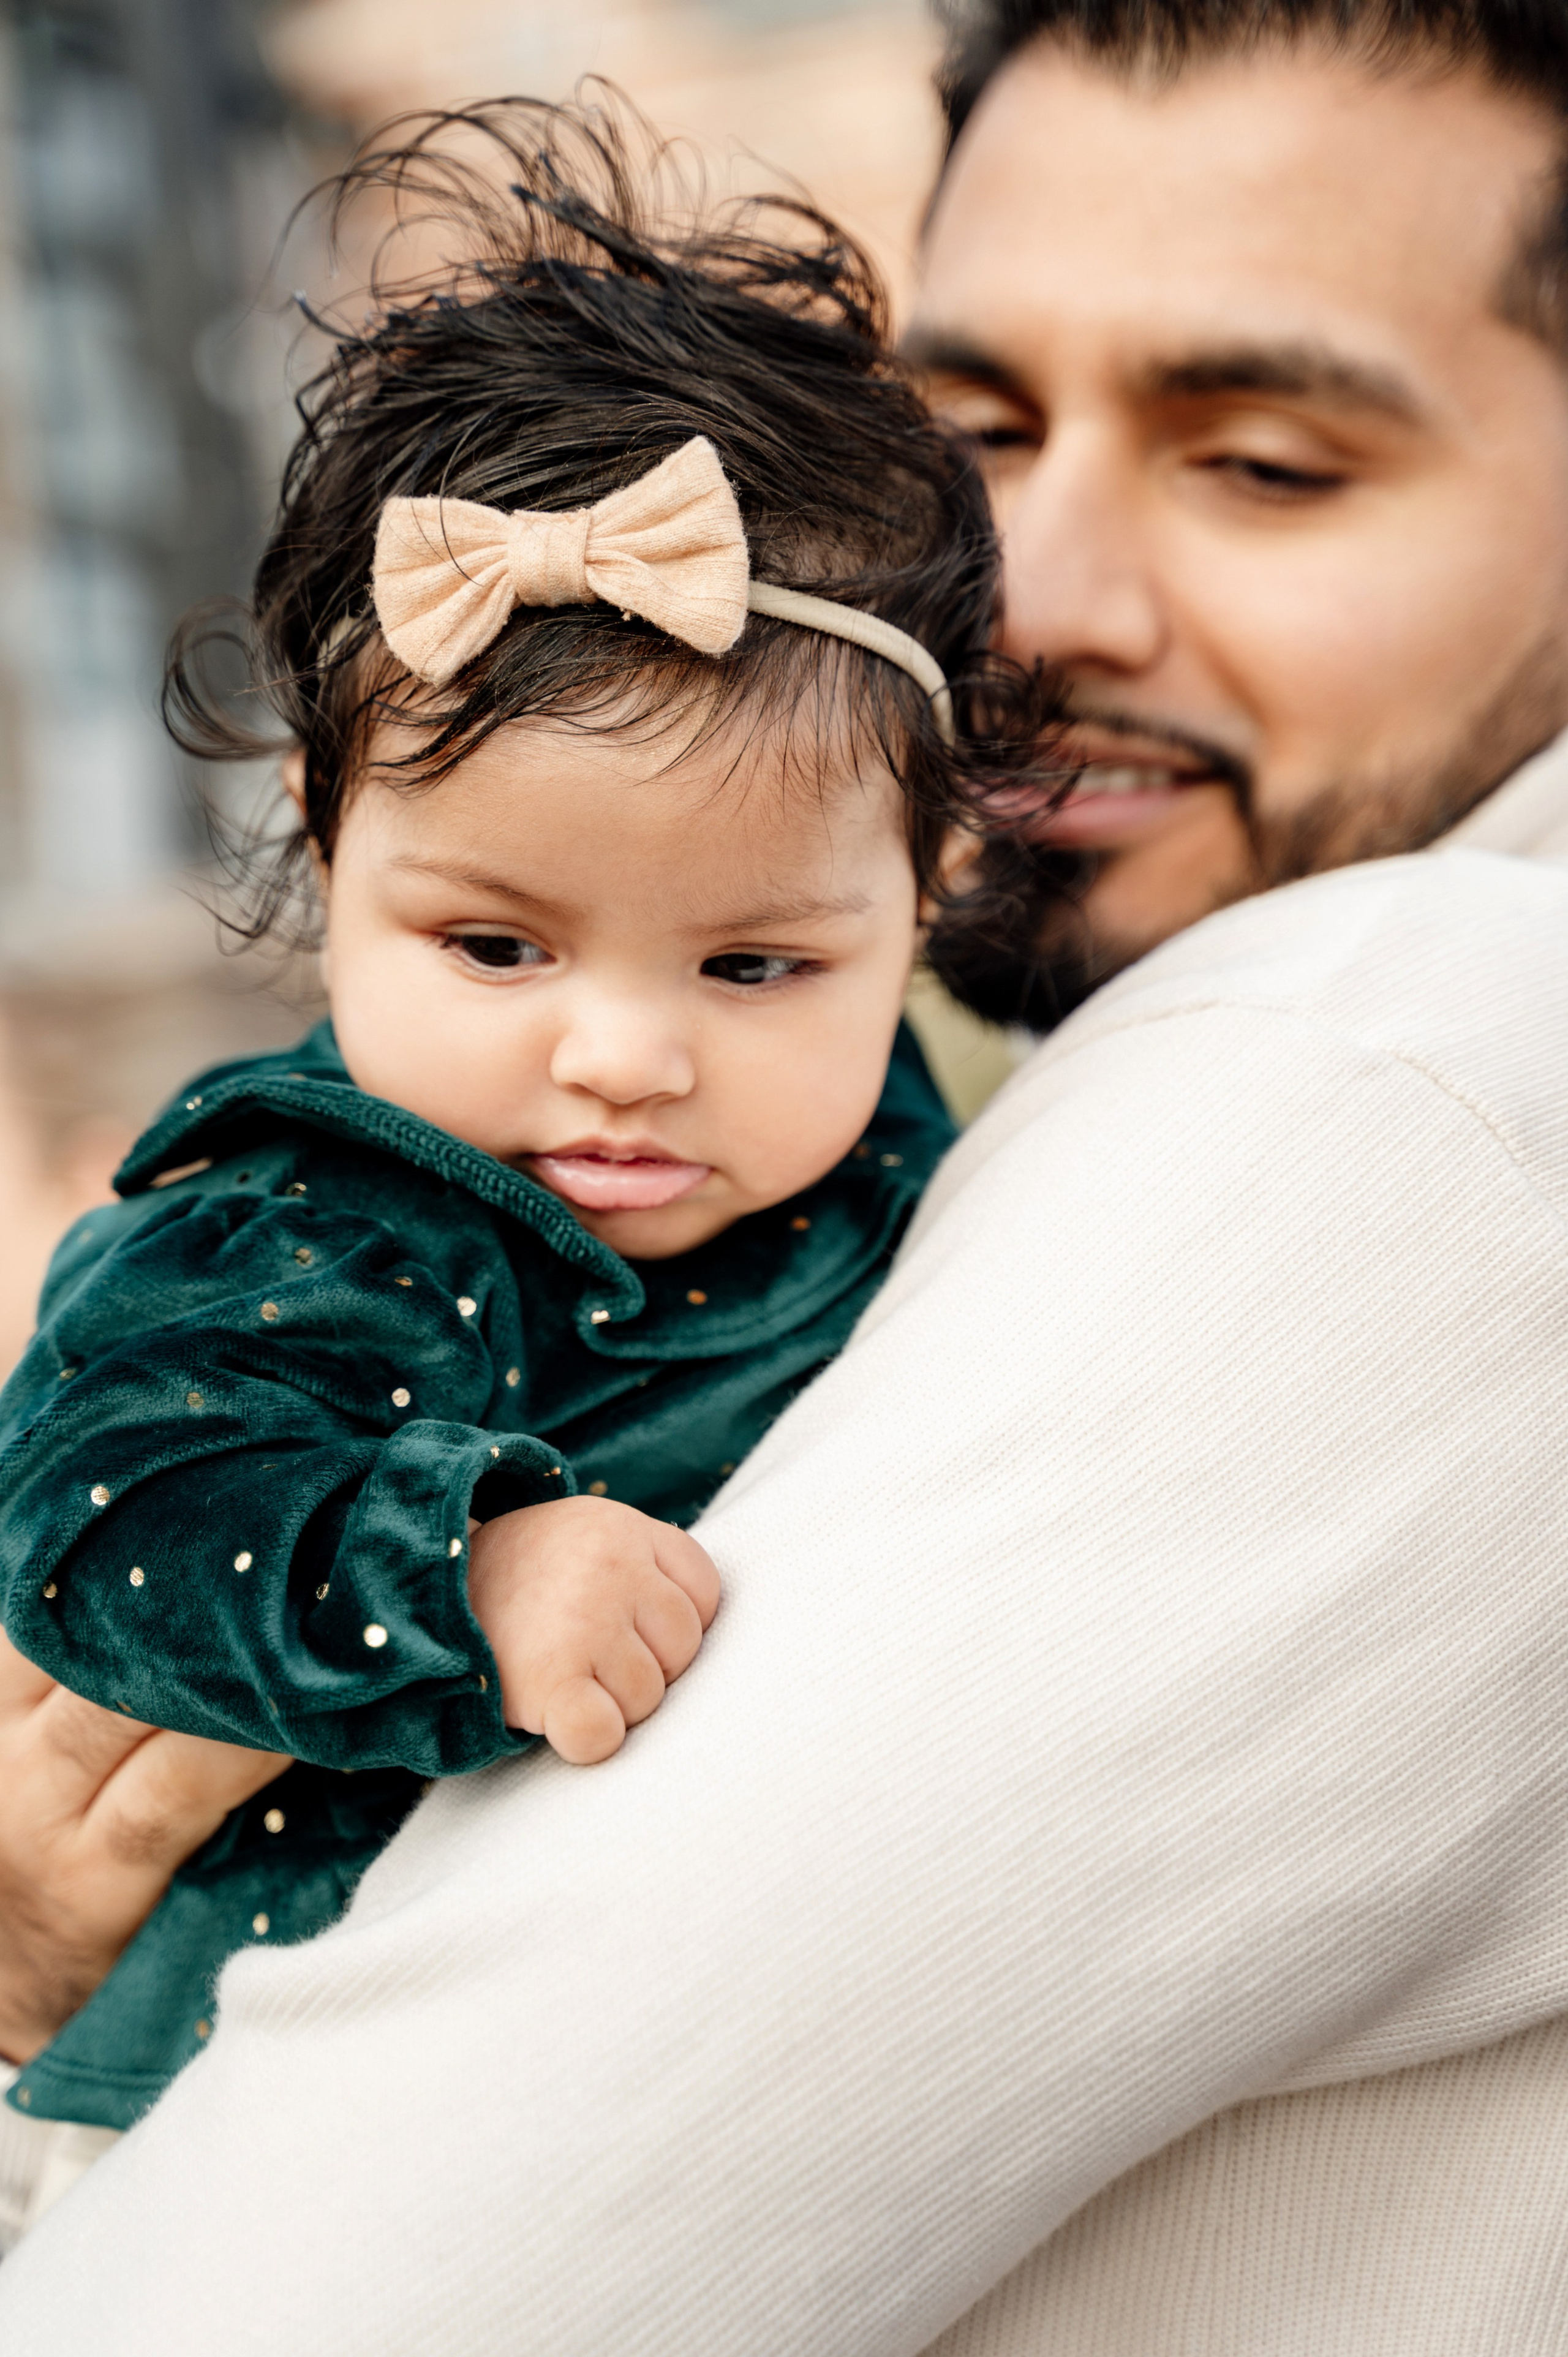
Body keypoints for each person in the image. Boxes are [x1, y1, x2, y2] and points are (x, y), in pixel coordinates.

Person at [9, 2, 1568, 2348]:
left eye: (1264, 460)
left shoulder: (1389, 1077)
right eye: (981, 439)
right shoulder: (318, 1199)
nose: (1038, 616)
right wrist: (440, 1575)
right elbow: (117, 1492)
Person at [0, 101, 1041, 2157]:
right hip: (234, 2103)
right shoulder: (296, 1222)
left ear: (921, 907)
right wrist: (452, 1573)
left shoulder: (926, 1153)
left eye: (756, 969)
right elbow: (89, 1526)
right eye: (495, 945)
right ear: (321, 841)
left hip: (687, 2060)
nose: (625, 1059)